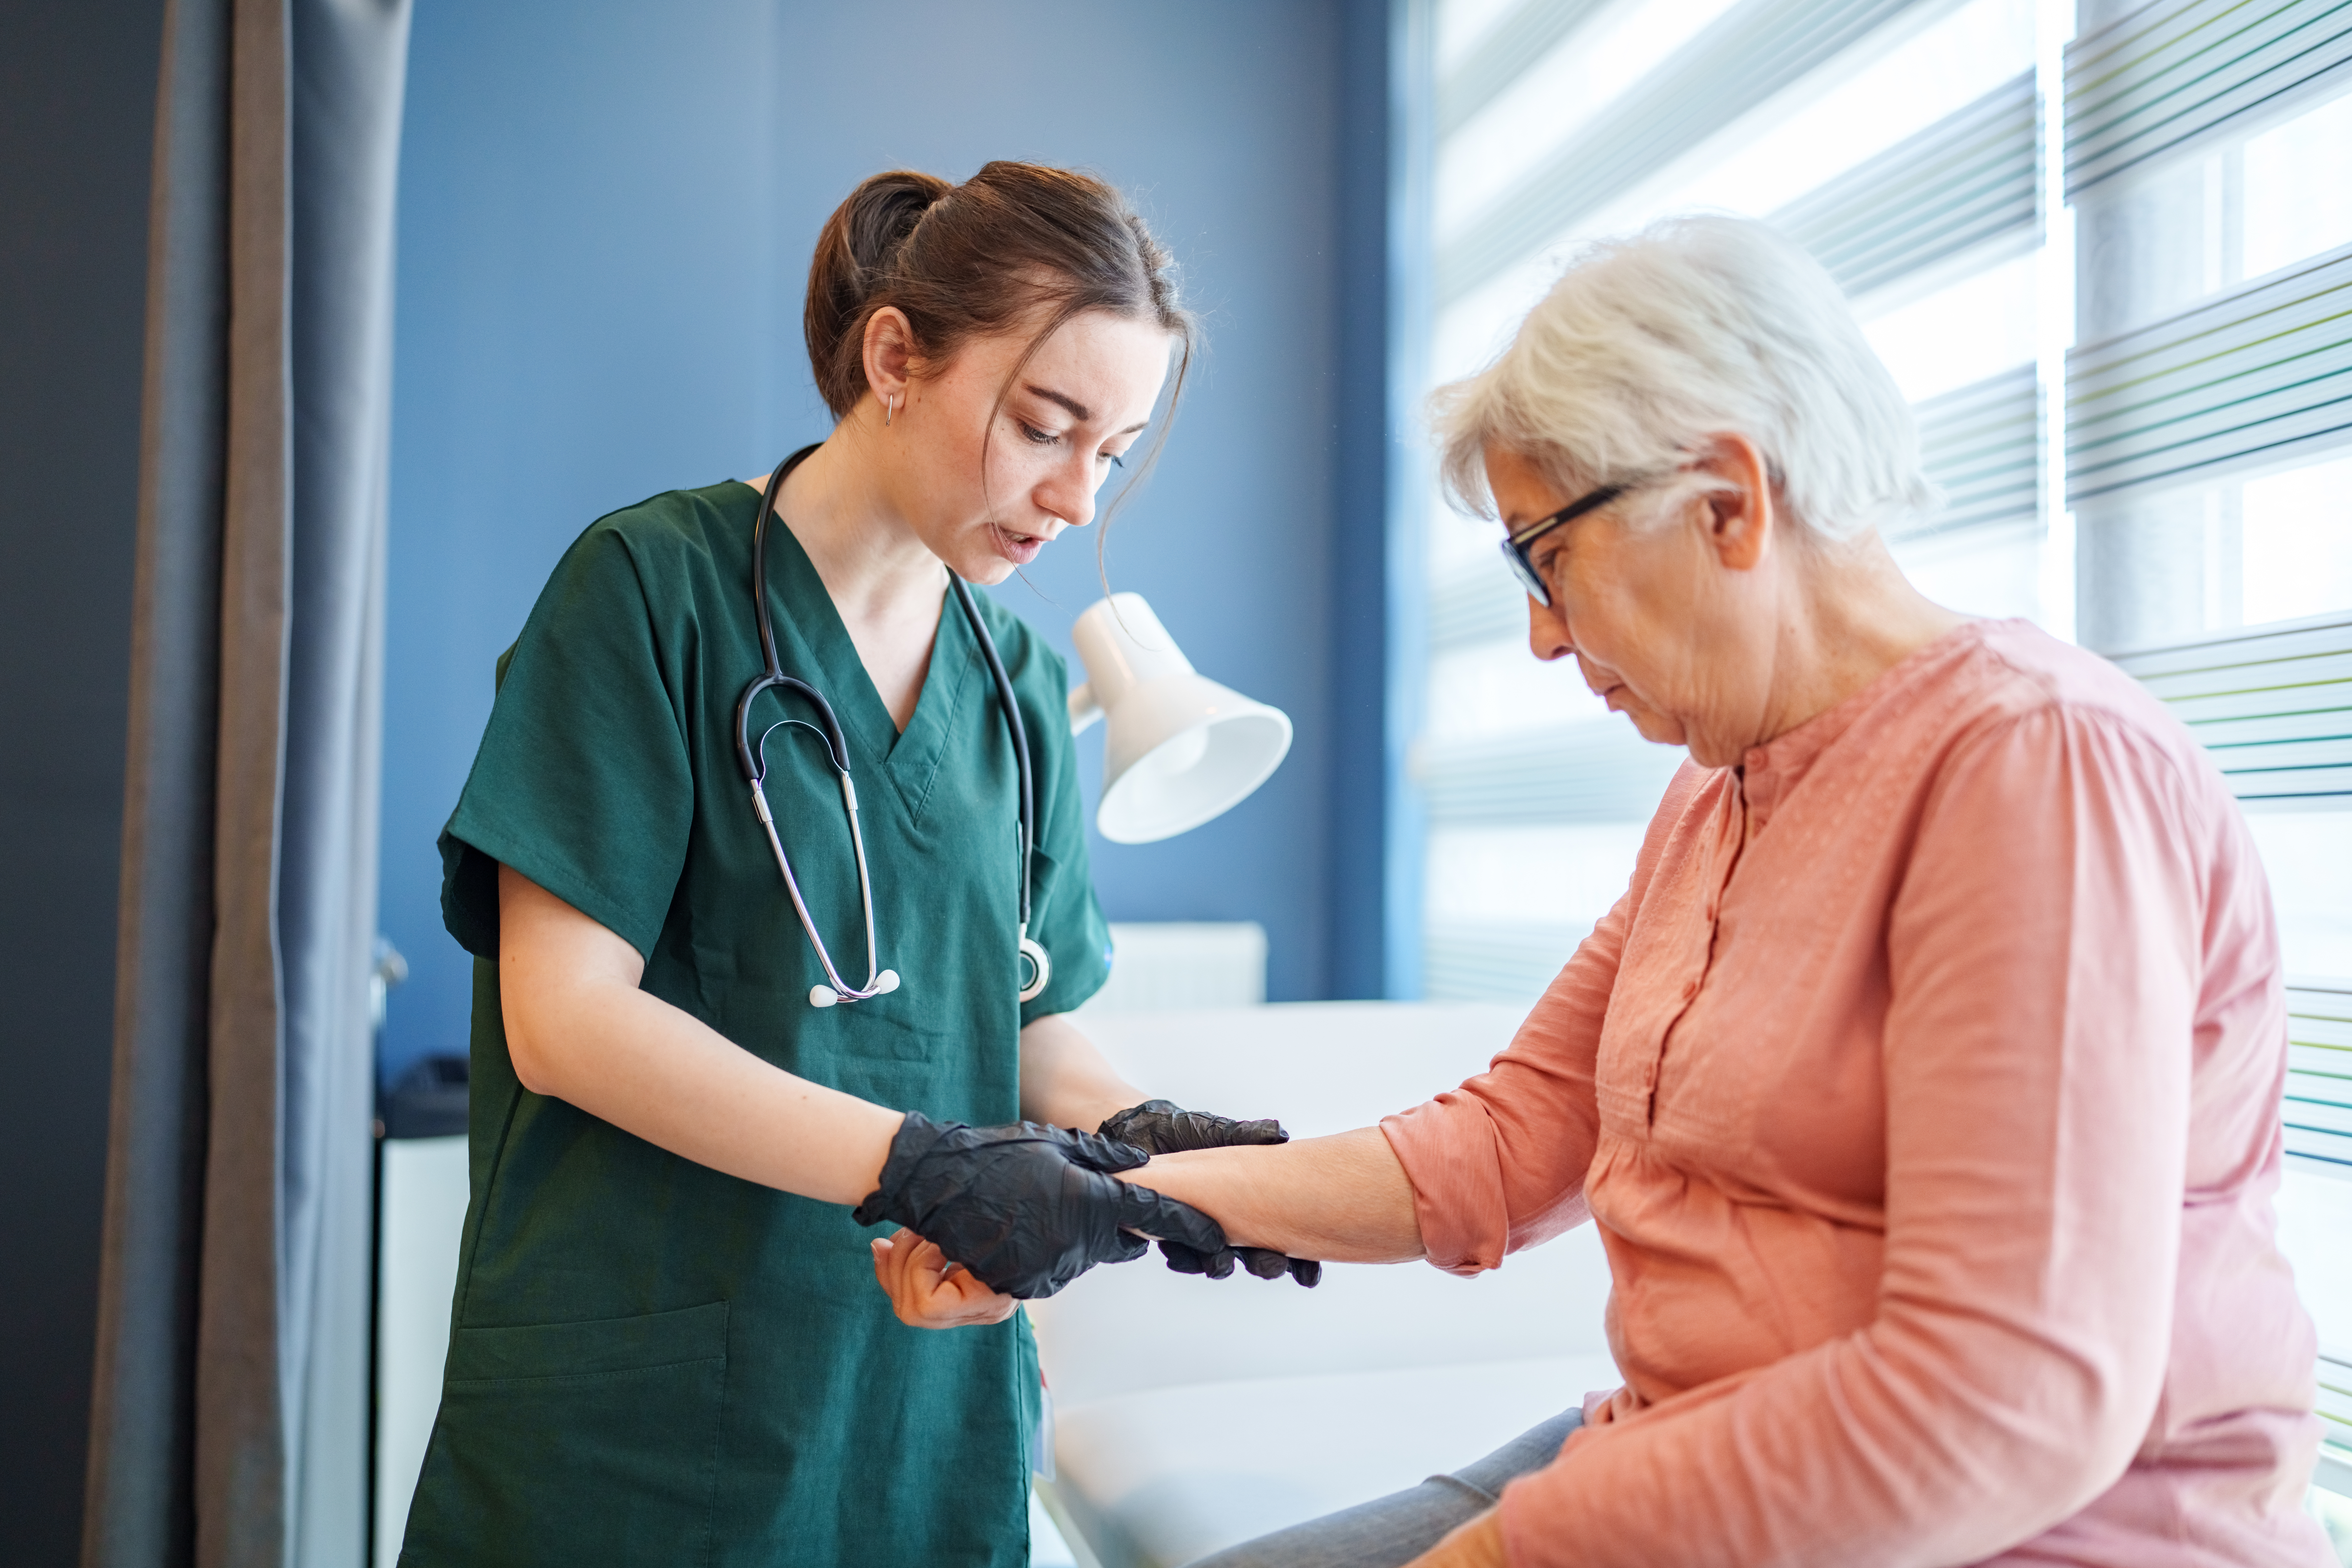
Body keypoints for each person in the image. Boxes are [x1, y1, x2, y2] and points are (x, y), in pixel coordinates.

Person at [875, 216, 2338, 1567]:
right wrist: (1121, 1195)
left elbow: (1999, 1401)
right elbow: (1511, 1142)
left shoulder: (2035, 772)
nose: (1538, 636)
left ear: (1725, 501)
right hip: (1686, 1437)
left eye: (1548, 558)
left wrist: (1515, 1550)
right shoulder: (1722, 791)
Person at [400, 162, 1308, 1568]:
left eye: (1112, 454)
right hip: (645, 1401)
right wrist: (917, 1163)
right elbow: (564, 1021)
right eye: (1041, 426)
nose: (1073, 497)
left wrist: (1151, 1134)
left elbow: (1022, 1016)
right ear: (894, 355)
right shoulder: (653, 589)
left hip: (916, 1400)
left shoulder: (1010, 682)